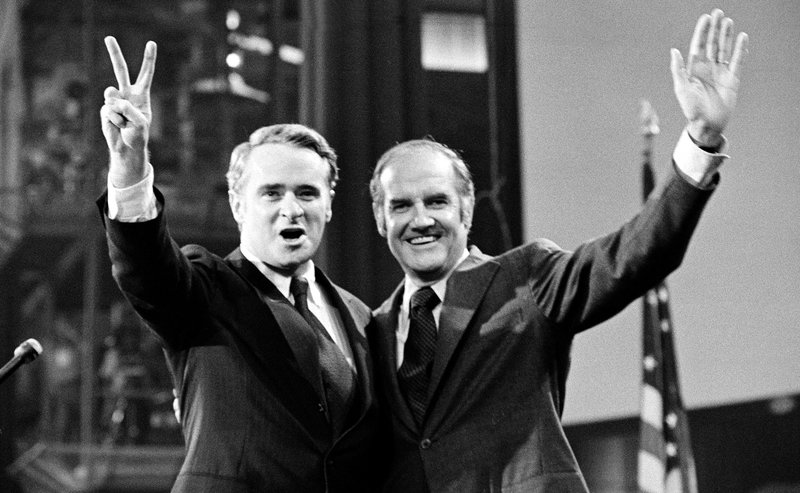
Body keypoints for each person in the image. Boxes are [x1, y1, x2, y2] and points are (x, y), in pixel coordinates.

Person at [367, 9, 748, 492]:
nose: (420, 219)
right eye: (401, 205)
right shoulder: (372, 330)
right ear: (381, 219)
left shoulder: (525, 278)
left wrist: (701, 140)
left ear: (466, 210)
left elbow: (630, 257)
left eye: (437, 201)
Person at [97, 36, 384, 492]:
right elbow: (146, 269)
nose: (291, 209)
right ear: (237, 204)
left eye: (307, 193)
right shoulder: (205, 289)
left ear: (328, 206)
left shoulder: (361, 317)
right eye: (272, 193)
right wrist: (129, 167)